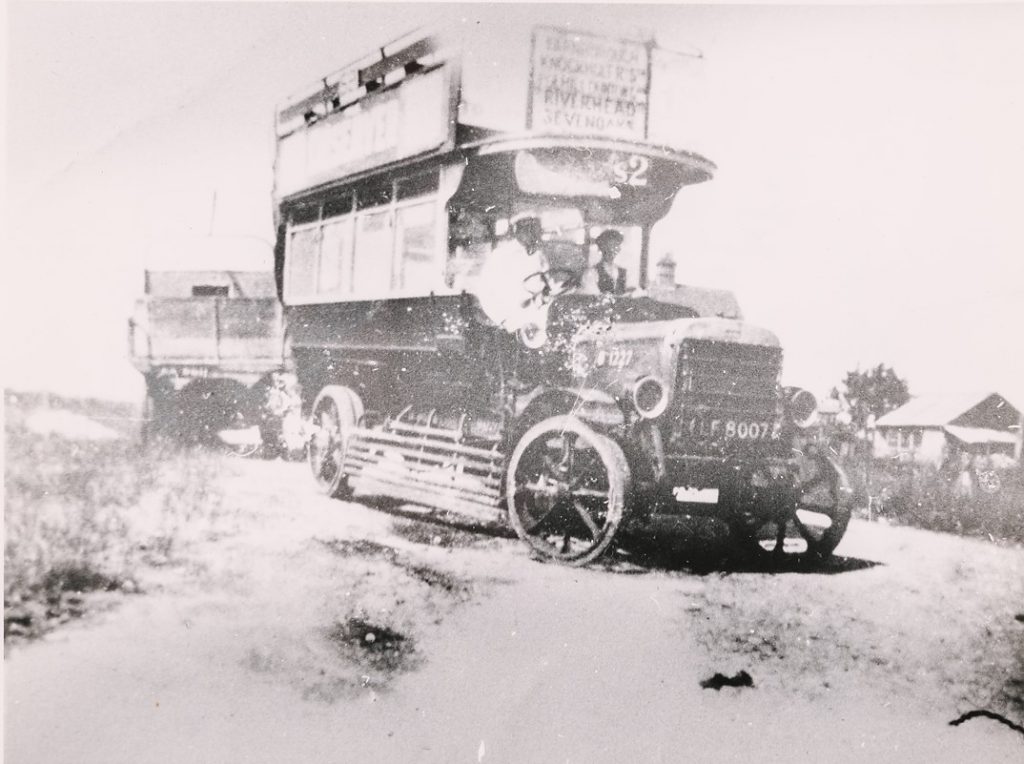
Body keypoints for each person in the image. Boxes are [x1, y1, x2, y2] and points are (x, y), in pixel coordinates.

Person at [474, 216, 549, 332]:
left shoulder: (539, 256)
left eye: (535, 230)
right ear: (517, 230)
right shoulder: (501, 255)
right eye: (527, 229)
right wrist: (502, 319)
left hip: (537, 321)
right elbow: (484, 290)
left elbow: (545, 285)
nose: (533, 235)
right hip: (510, 323)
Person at [581, 229, 627, 295]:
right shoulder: (591, 273)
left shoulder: (622, 272)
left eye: (616, 246)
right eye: (611, 246)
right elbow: (592, 296)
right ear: (602, 248)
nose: (614, 250)